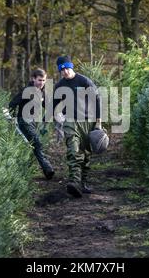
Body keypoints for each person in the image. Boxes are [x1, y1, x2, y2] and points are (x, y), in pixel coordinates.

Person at [53, 55, 102, 198]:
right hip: (70, 121)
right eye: (62, 70)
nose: (65, 72)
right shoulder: (60, 85)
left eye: (67, 68)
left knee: (86, 153)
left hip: (88, 120)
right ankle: (74, 181)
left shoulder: (84, 81)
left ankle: (83, 183)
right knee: (73, 151)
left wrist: (98, 122)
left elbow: (97, 100)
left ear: (71, 67)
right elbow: (53, 104)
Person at [8, 68, 54, 180]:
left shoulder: (41, 91)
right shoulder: (27, 91)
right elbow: (13, 103)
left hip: (34, 121)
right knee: (37, 143)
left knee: (32, 145)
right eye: (39, 80)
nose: (42, 83)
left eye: (44, 80)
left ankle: (25, 169)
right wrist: (12, 117)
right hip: (24, 121)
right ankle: (48, 169)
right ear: (33, 79)